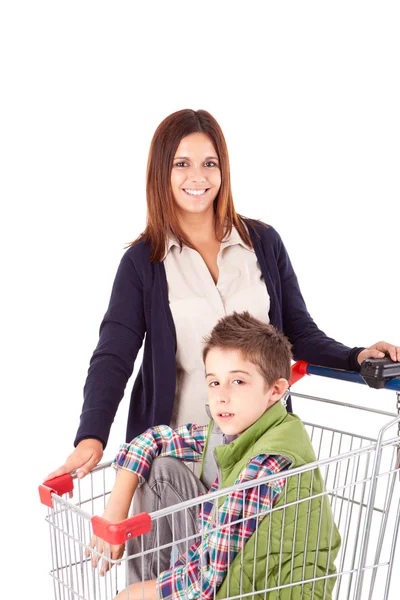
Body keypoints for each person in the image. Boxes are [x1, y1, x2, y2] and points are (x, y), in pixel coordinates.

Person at [47, 108, 400, 482]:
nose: (197, 177)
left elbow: (296, 333)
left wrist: (354, 356)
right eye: (181, 163)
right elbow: (113, 356)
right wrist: (91, 435)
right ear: (161, 171)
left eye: (209, 163)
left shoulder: (262, 243)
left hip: (259, 456)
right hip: (178, 458)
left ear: (223, 170)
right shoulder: (143, 263)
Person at [91, 312, 341, 600]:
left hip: (257, 588)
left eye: (238, 382)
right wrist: (115, 511)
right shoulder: (237, 429)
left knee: (139, 594)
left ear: (275, 390)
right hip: (233, 562)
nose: (222, 396)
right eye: (214, 382)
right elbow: (155, 439)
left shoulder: (266, 465)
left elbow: (206, 582)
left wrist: (133, 594)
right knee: (160, 470)